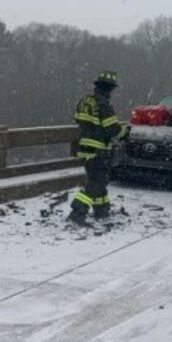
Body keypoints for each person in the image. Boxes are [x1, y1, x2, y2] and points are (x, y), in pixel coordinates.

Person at [69, 71, 128, 226]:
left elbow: (78, 119)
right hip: (99, 150)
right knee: (97, 182)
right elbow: (112, 129)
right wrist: (124, 132)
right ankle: (77, 211)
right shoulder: (103, 104)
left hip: (84, 148)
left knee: (99, 180)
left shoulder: (84, 101)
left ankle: (102, 211)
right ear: (110, 88)